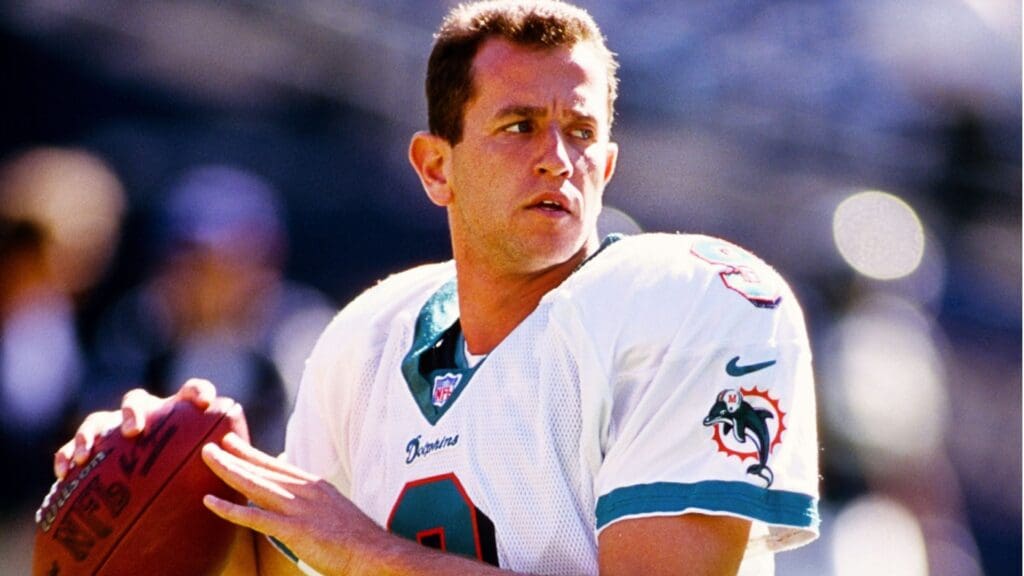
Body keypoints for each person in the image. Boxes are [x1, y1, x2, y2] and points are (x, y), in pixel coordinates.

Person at [53, 1, 819, 574]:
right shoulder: (371, 335)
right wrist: (163, 471)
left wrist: (368, 554)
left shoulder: (692, 301)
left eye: (580, 131)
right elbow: (290, 561)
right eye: (519, 125)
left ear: (609, 165)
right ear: (434, 166)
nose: (558, 158)